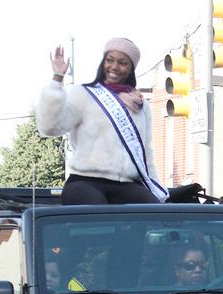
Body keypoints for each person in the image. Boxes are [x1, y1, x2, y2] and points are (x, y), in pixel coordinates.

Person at [37, 39, 167, 205]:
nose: (114, 67)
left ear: (131, 68)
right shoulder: (83, 94)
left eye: (122, 63)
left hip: (128, 184)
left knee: (156, 215)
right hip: (86, 180)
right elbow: (50, 127)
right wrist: (57, 79)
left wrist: (155, 189)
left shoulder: (141, 106)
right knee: (96, 215)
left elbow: (146, 153)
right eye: (110, 60)